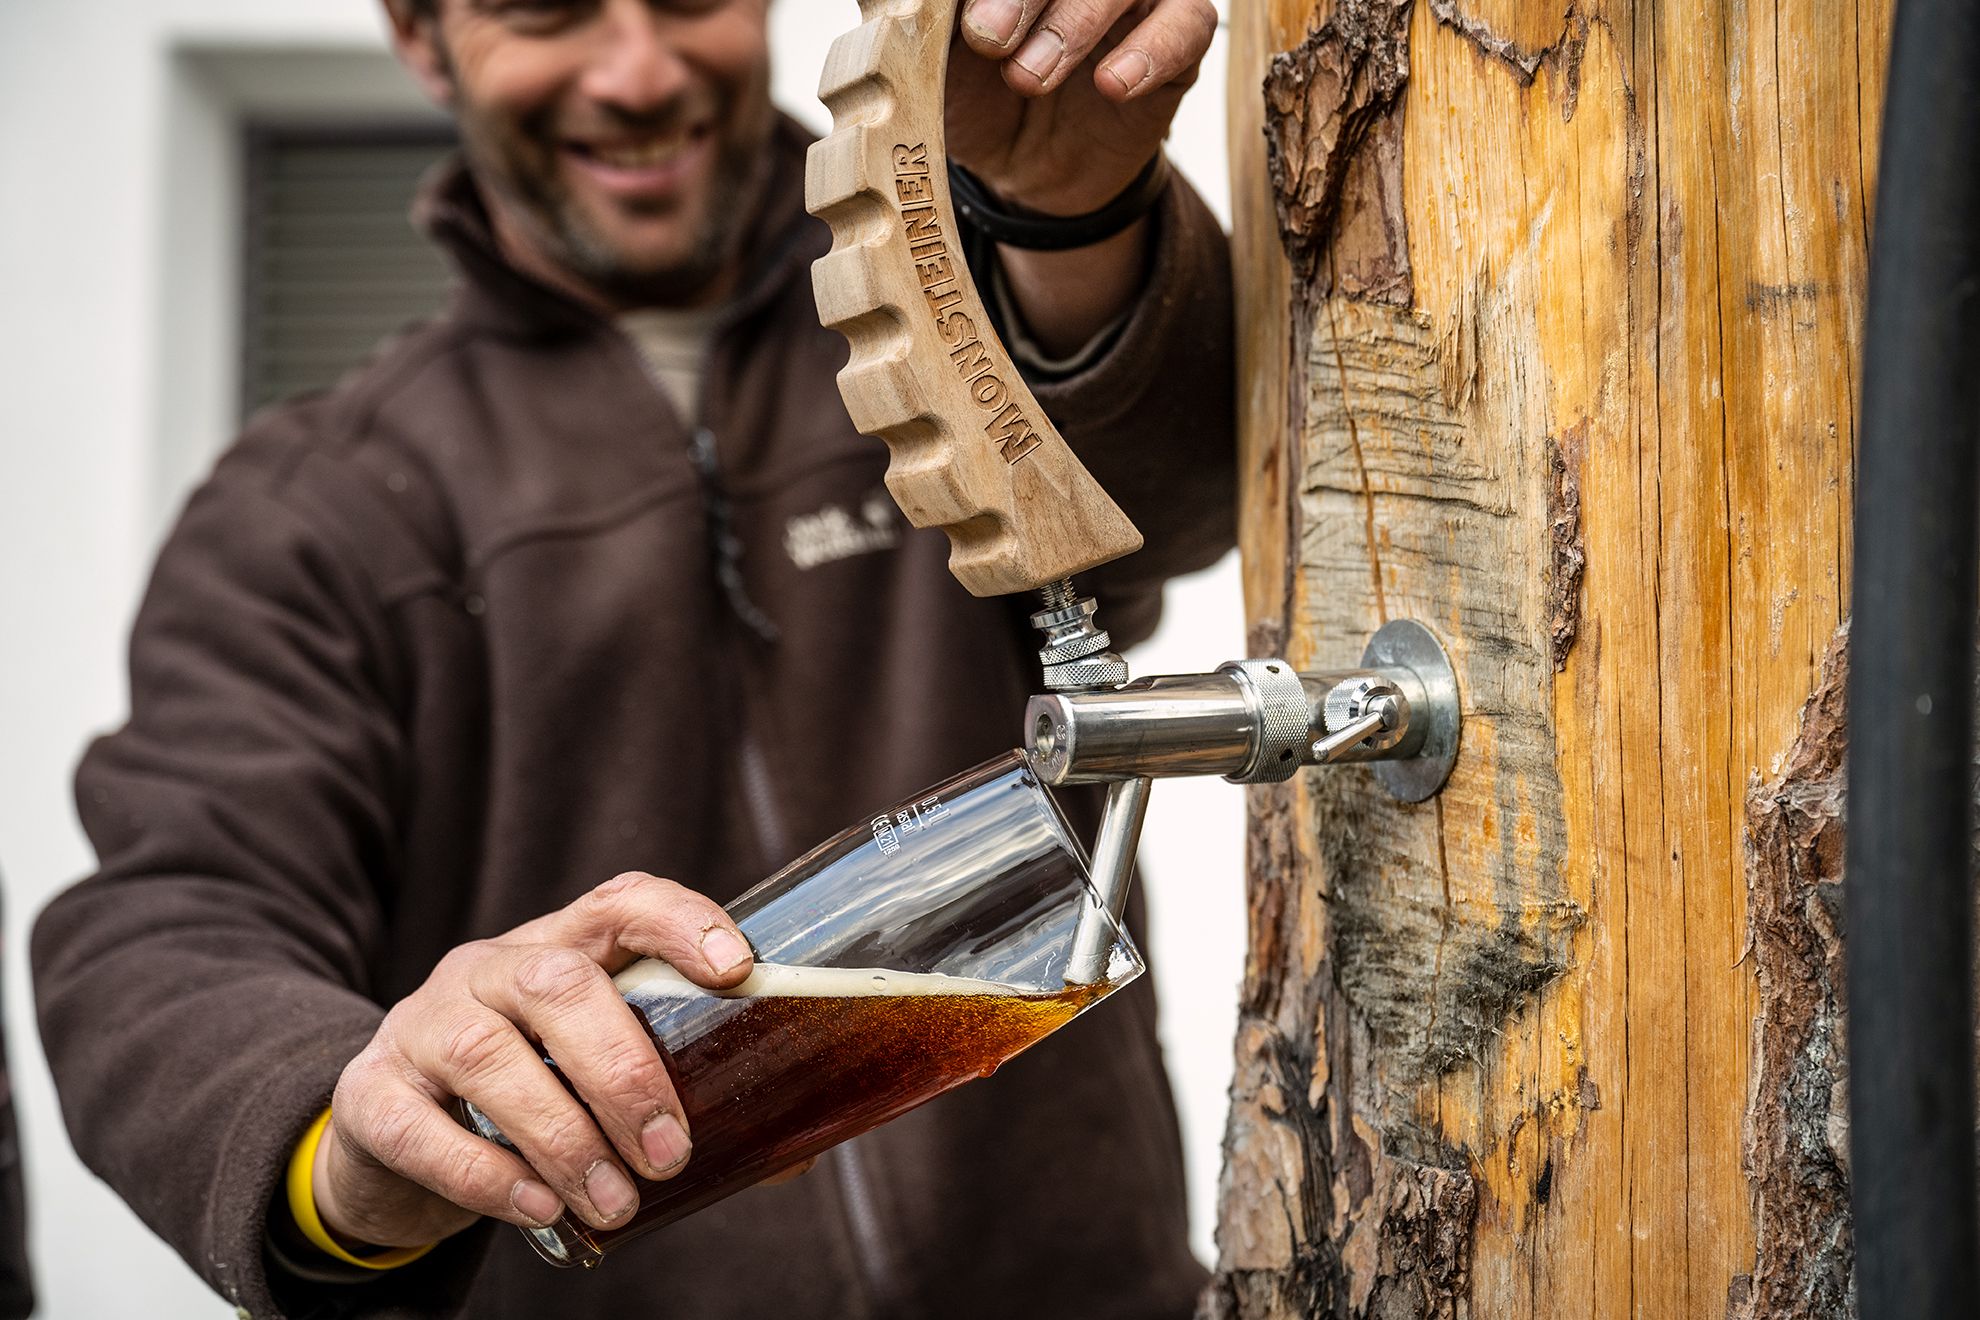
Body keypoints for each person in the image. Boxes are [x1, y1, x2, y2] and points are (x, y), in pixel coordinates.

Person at [32, 0, 1235, 1315]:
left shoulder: (963, 295)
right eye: (544, 10)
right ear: (422, 38)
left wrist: (1074, 209)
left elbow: (1184, 499)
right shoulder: (316, 510)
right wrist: (350, 1139)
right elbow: (163, 933)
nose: (639, 71)